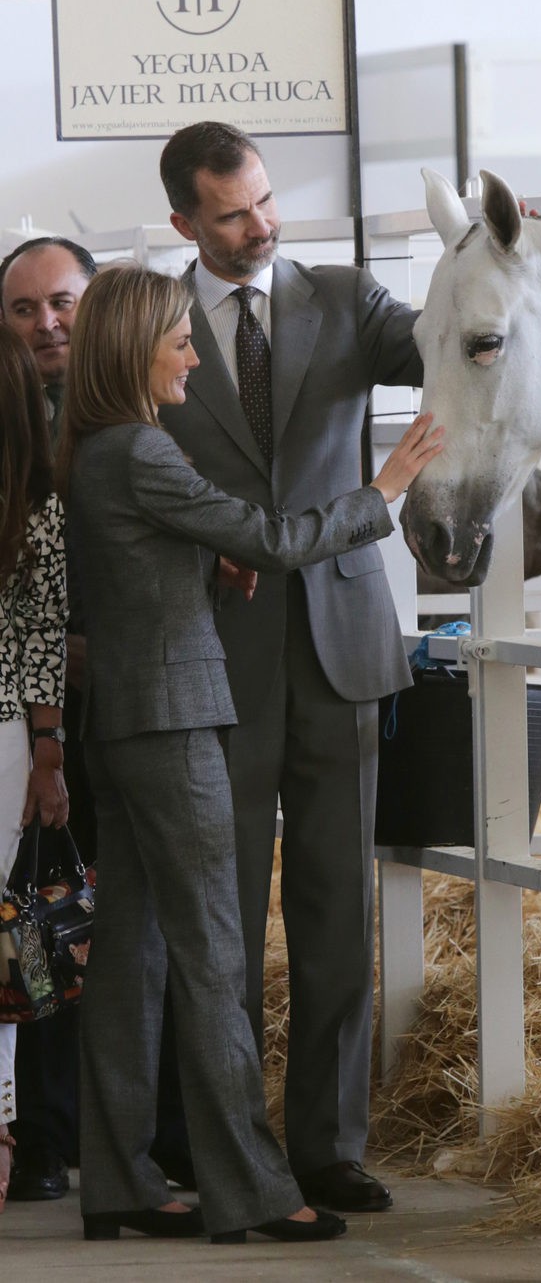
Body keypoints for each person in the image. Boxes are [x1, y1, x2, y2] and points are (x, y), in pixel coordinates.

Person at [56, 263, 442, 1242]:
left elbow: (157, 550)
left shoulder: (104, 449)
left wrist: (200, 552)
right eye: (178, 340)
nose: (193, 351)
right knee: (211, 957)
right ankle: (253, 1192)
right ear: (133, 349)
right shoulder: (142, 450)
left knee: (135, 955)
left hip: (129, 721)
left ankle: (120, 1180)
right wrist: (383, 487)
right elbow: (272, 536)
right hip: (178, 718)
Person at [158, 121, 424, 1212]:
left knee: (331, 909)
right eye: (230, 212)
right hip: (213, 649)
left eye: (264, 200)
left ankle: (326, 1144)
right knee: (219, 918)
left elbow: (449, 341)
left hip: (341, 645)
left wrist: (498, 263)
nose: (259, 224)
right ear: (184, 221)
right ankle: (226, 1143)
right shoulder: (153, 322)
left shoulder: (349, 301)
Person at [0, 236, 192, 1201]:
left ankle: (154, 1134)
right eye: (25, 308)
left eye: (63, 302)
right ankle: (42, 1134)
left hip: (136, 696)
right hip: (33, 711)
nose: (47, 324)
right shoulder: (8, 431)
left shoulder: (151, 416)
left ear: (97, 302)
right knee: (40, 911)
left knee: (136, 912)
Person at [0, 324, 70, 1207]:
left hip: (4, 731)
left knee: (11, 935)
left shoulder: (37, 505)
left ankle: (4, 1122)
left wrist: (47, 751)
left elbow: (38, 633)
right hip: (11, 730)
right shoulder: (38, 501)